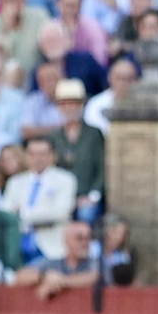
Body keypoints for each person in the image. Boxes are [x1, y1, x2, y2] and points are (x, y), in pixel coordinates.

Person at [1, 134, 77, 264]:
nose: (38, 159)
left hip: (51, 246)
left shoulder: (65, 179)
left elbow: (60, 213)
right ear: (26, 156)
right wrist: (41, 215)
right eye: (33, 154)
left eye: (42, 154)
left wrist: (22, 213)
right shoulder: (15, 182)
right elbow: (5, 214)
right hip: (18, 243)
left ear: (53, 156)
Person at [48, 79, 104, 221]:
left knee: (86, 214)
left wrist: (92, 196)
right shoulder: (54, 136)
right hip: (60, 197)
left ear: (81, 105)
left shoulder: (93, 134)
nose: (69, 108)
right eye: (64, 104)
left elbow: (103, 167)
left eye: (74, 103)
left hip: (86, 195)